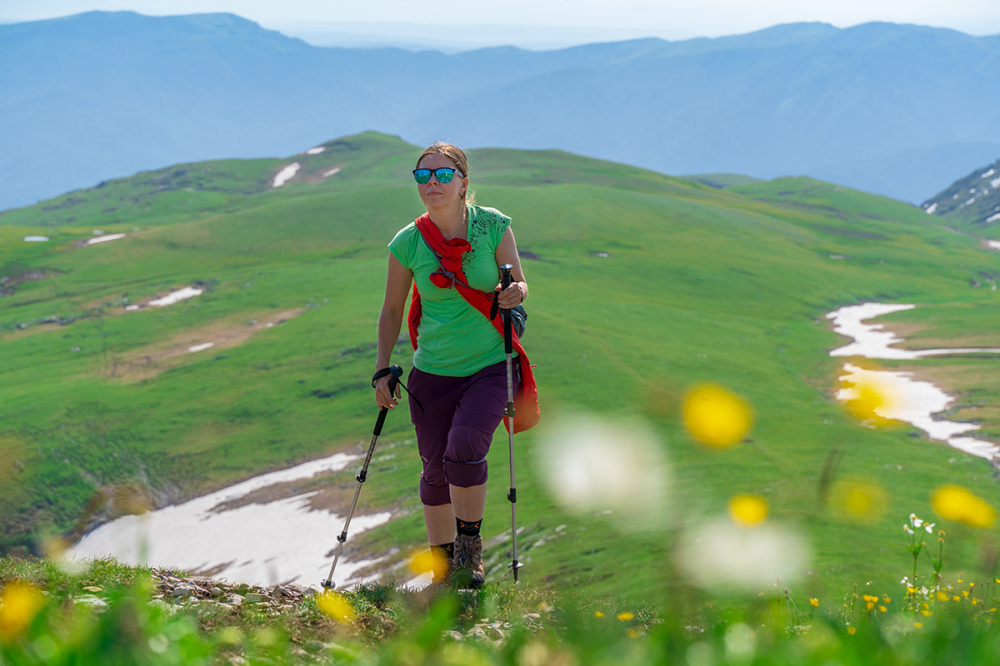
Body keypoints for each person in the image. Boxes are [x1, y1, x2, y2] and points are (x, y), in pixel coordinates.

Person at [374, 142, 535, 588]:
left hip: (488, 363)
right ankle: (442, 572)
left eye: (443, 175)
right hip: (431, 373)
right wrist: (382, 368)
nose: (432, 184)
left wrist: (516, 292)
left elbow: (519, 281)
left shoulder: (492, 226)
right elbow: (391, 311)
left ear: (464, 182)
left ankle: (470, 552)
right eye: (422, 176)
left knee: (465, 445)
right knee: (434, 468)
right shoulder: (407, 242)